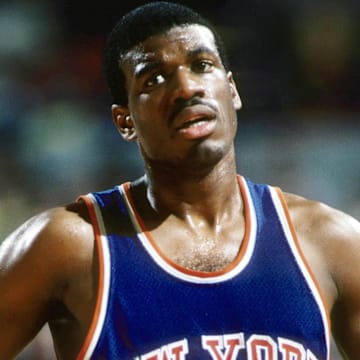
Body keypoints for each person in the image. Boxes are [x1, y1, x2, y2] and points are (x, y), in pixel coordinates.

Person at [0, 1, 360, 359]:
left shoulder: (330, 241)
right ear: (125, 121)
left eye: (202, 66)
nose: (187, 88)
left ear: (232, 90)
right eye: (154, 78)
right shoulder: (68, 245)